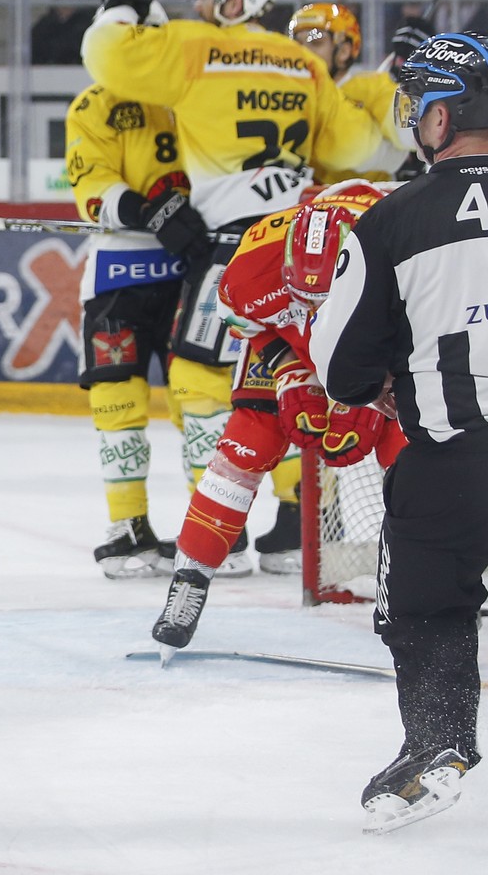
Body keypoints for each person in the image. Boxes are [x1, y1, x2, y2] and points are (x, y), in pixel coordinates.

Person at [82, 0, 383, 577]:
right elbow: (355, 146)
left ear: (236, 0)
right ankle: (303, 527)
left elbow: (105, 57)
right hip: (301, 237)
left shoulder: (193, 49)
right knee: (299, 371)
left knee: (197, 378)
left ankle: (226, 531)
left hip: (233, 246)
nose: (199, 2)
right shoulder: (304, 64)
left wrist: (124, 8)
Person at [309, 31, 488, 833]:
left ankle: (441, 745)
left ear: (443, 120)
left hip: (455, 459)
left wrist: (381, 380)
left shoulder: (394, 218)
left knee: (423, 607)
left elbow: (339, 367)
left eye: (420, 109)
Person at [151, 182, 405, 654]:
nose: (310, 312)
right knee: (247, 445)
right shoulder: (248, 271)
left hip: (378, 349)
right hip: (296, 346)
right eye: (301, 299)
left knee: (412, 452)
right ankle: (190, 579)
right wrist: (290, 370)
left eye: (322, 301)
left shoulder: (403, 254)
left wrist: (364, 397)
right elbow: (257, 329)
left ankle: (427, 585)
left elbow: (430, 338)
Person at [64, 20, 199, 577]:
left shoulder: (187, 91)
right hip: (132, 270)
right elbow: (91, 183)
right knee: (121, 403)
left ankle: (214, 530)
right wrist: (153, 211)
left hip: (170, 270)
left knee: (202, 399)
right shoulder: (96, 103)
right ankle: (131, 525)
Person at [286, 2, 415, 183]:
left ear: (344, 51)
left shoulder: (374, 87)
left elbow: (414, 133)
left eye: (316, 43)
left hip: (368, 205)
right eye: (297, 45)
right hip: (303, 206)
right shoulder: (285, 95)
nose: (304, 54)